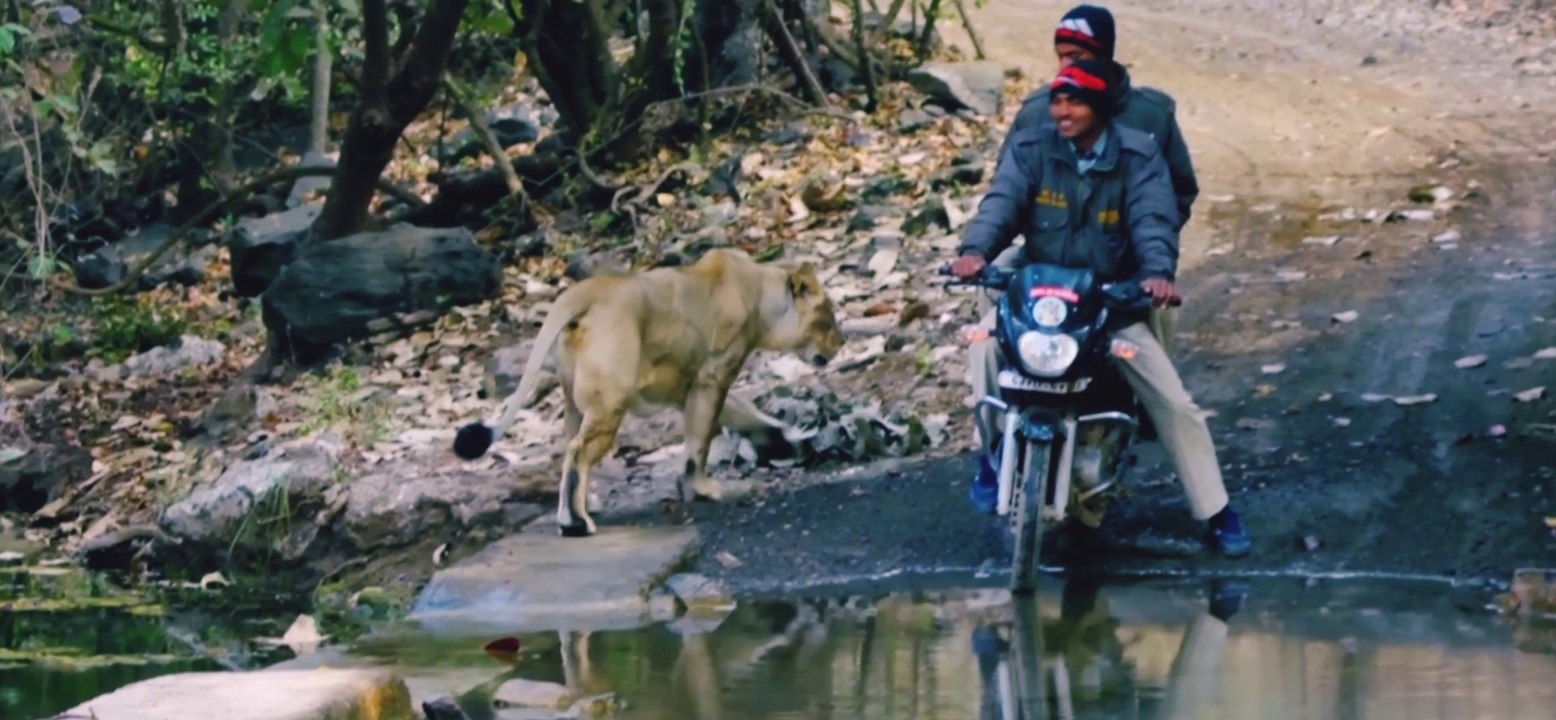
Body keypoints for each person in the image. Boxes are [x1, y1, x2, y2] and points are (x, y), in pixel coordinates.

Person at [953, 60, 1250, 558]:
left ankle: (1217, 511)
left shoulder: (1138, 155)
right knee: (981, 346)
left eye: (1076, 102)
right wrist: (975, 251)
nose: (1063, 111)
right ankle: (994, 451)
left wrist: (1156, 274)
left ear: (1102, 107)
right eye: (1058, 101)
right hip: (1037, 301)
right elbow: (1001, 204)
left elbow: (1153, 219)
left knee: (1172, 400)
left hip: (1108, 306)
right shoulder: (1032, 148)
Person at [992, 4, 1199, 359]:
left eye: (1078, 55)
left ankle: (1149, 405)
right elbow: (1005, 192)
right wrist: (976, 252)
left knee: (1155, 335)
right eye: (1061, 57)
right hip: (1045, 264)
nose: (1067, 67)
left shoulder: (1151, 115)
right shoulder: (1040, 111)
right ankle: (993, 408)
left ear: (1103, 55)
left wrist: (1139, 248)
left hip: (1125, 269)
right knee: (990, 320)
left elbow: (1176, 194)